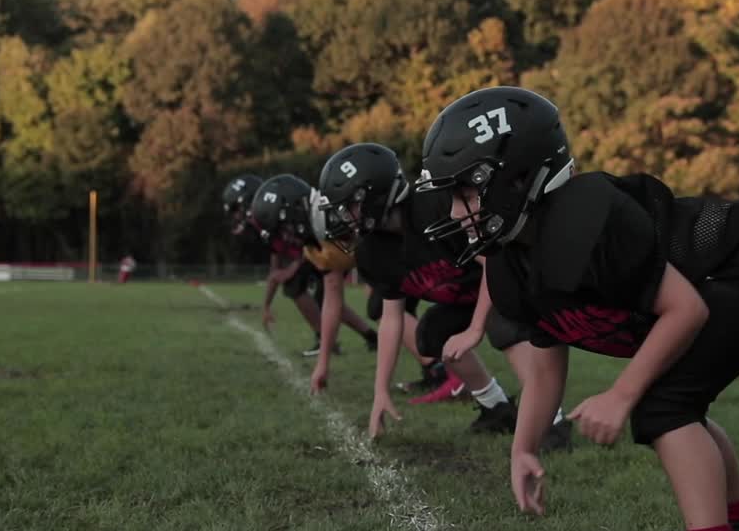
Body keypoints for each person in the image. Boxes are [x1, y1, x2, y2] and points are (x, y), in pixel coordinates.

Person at [419, 86, 739, 531]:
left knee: (665, 404)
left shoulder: (583, 220)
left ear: (515, 179)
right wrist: (524, 448)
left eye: (465, 190)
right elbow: (546, 362)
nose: (453, 210)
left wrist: (623, 393)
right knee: (680, 403)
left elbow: (685, 310)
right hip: (716, 281)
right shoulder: (513, 264)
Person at [313, 142, 572, 448]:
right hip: (465, 296)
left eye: (349, 206)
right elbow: (392, 319)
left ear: (374, 193)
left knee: (504, 324)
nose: (345, 219)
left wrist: (475, 329)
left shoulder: (434, 207)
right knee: (431, 334)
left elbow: (495, 263)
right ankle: (496, 407)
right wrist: (380, 390)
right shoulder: (373, 250)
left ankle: (552, 419)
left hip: (502, 282)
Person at [251, 174, 378, 377]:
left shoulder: (329, 217)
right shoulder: (316, 233)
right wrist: (323, 363)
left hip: (407, 259)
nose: (288, 235)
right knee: (374, 305)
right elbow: (332, 292)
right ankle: (372, 339)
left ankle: (433, 369)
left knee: (382, 305)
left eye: (286, 228)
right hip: (383, 266)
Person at [224, 174, 325, 353]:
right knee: (326, 297)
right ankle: (368, 336)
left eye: (237, 209)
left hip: (322, 250)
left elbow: (306, 238)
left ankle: (326, 341)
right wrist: (266, 306)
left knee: (300, 287)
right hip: (316, 253)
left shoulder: (273, 217)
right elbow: (275, 268)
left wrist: (291, 269)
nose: (236, 215)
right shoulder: (265, 224)